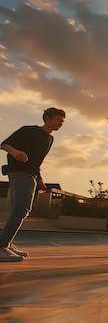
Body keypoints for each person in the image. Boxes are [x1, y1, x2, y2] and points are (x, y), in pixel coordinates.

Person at [0, 108, 65, 261]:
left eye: (62, 122)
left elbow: (37, 161)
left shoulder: (50, 139)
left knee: (18, 210)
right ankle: (1, 246)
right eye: (58, 120)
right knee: (22, 209)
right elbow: (4, 144)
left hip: (31, 173)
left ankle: (5, 243)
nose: (61, 124)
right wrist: (16, 153)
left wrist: (40, 178)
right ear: (47, 118)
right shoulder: (28, 131)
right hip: (20, 171)